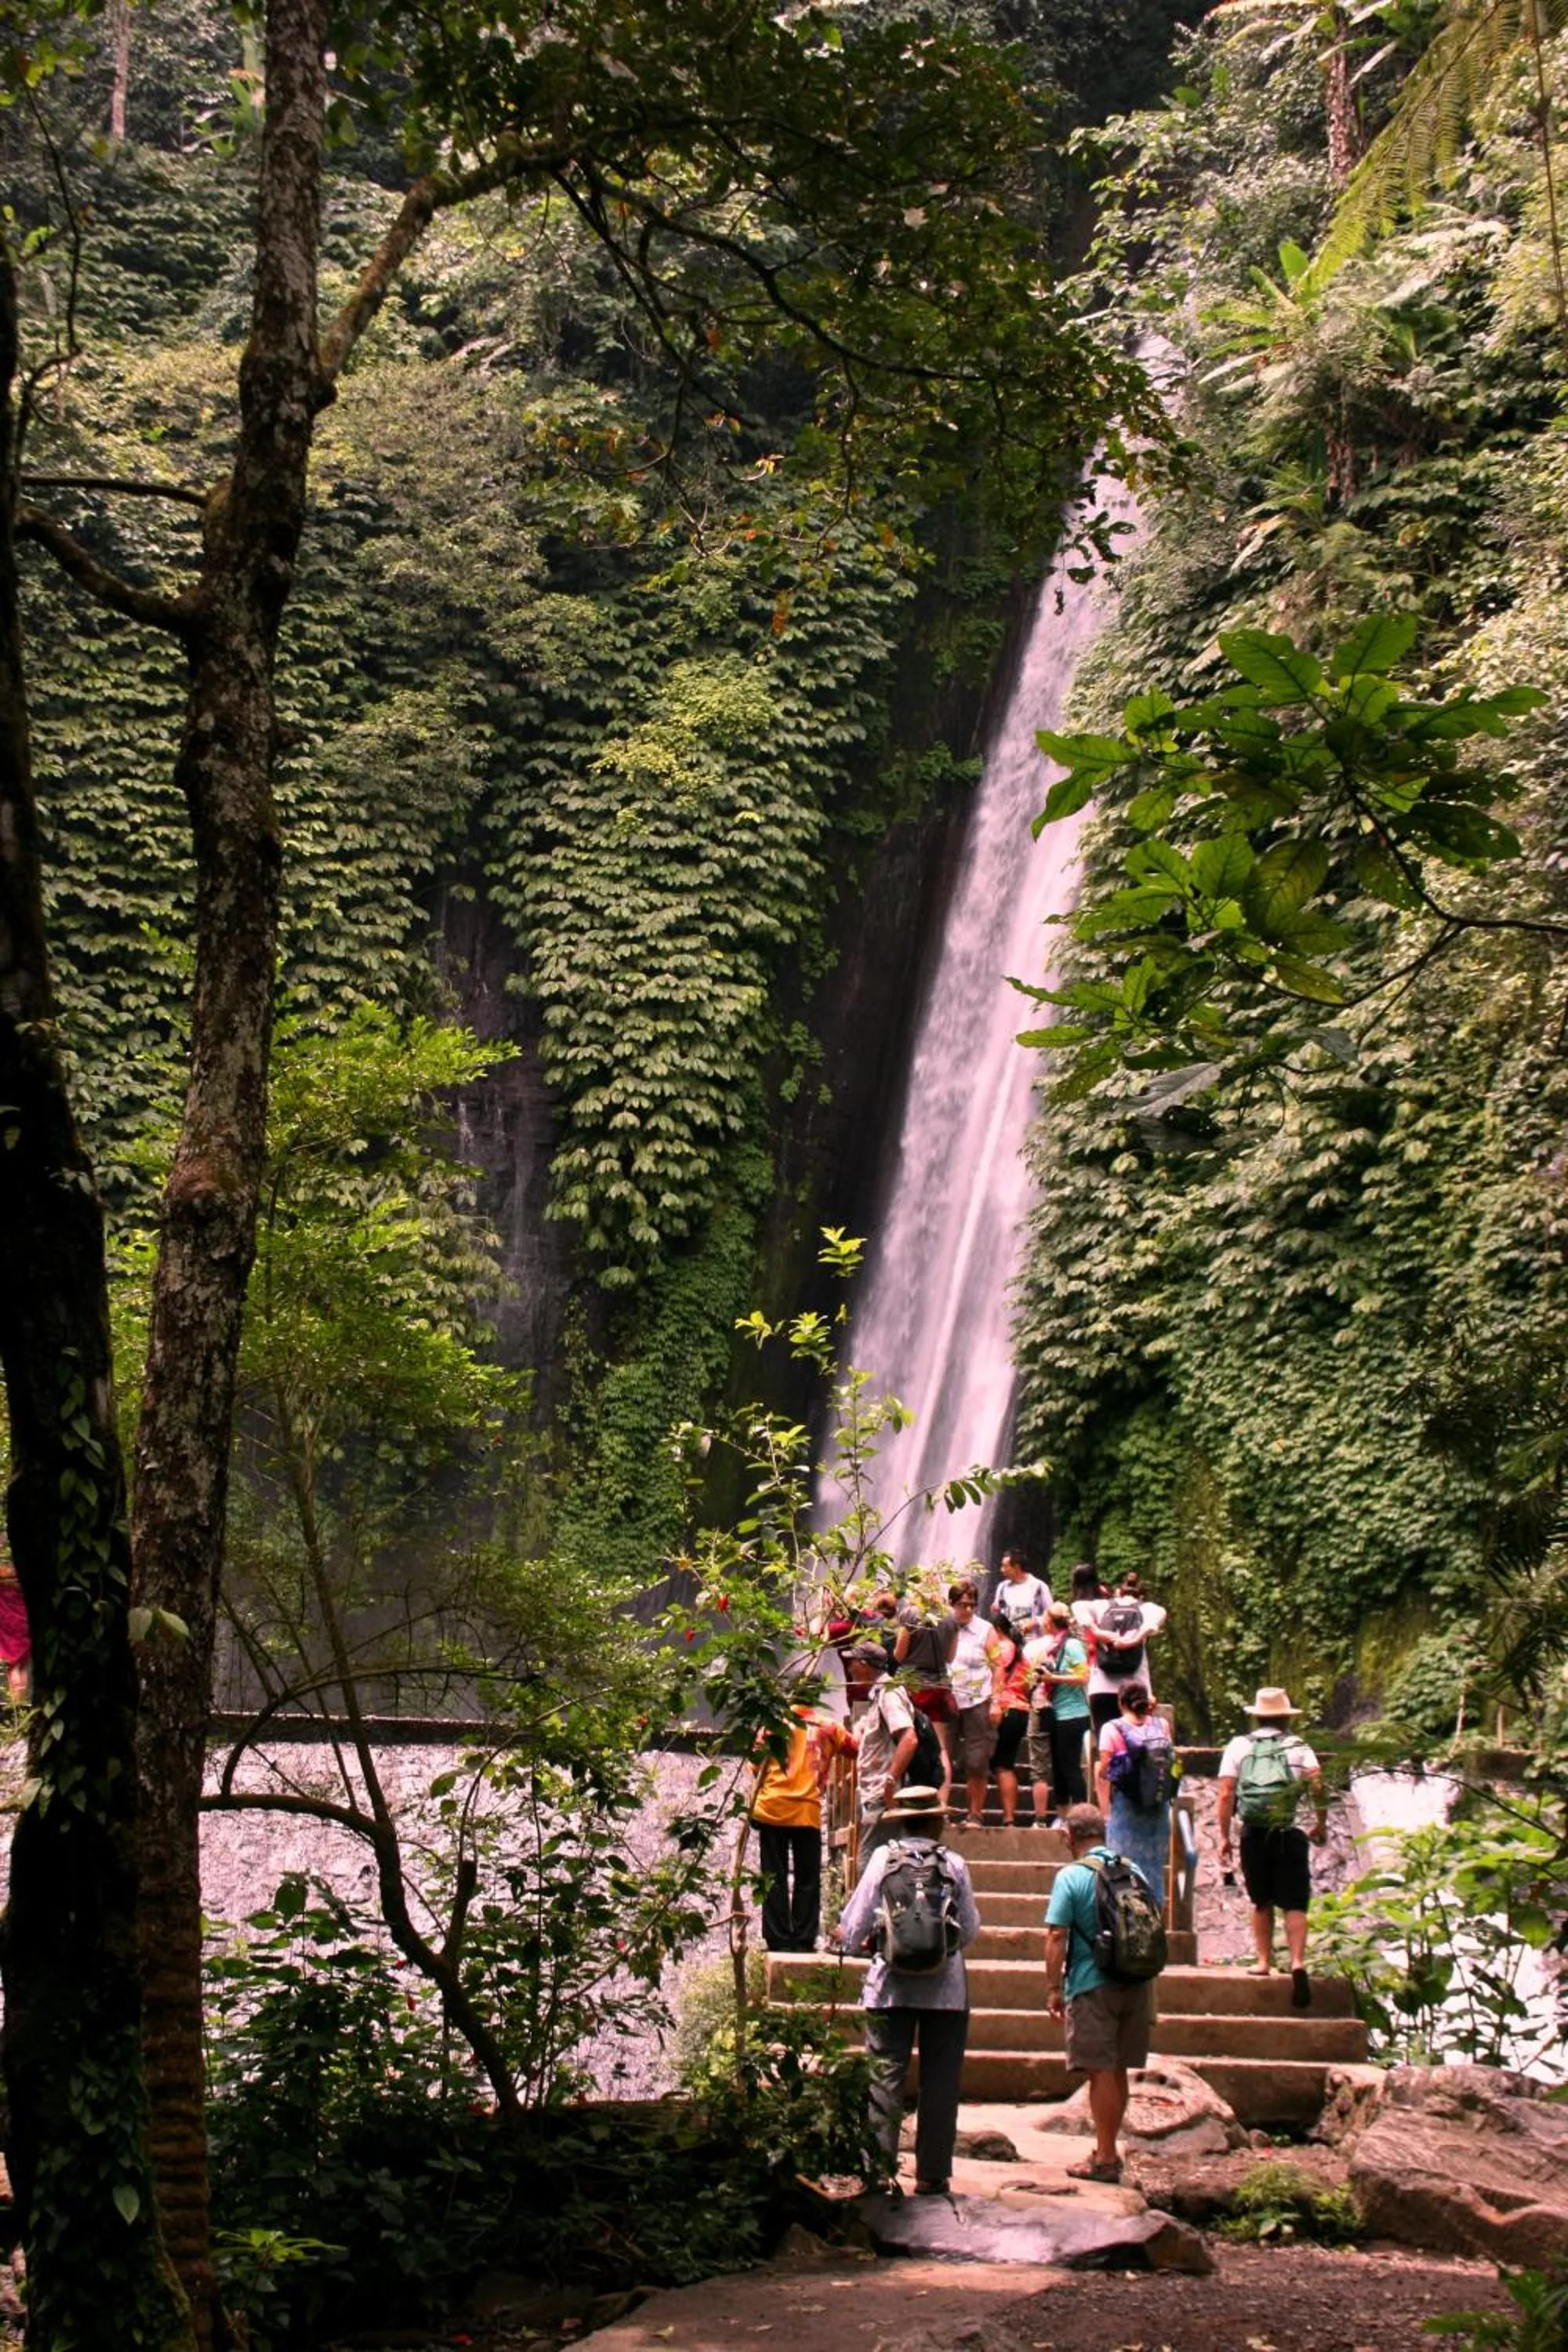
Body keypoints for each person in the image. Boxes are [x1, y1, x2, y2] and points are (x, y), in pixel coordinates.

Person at [836, 1784, 981, 2196]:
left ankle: (878, 2172)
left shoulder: (884, 1859)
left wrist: (857, 1944)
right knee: (941, 2080)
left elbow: (854, 1924)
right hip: (947, 1990)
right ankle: (933, 2174)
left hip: (889, 1989)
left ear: (901, 1820)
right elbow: (969, 1930)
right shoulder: (954, 1864)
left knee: (884, 2074)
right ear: (937, 1821)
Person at [1043, 1802, 1155, 2183]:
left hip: (1092, 1983)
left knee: (1100, 2071)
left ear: (1069, 1836)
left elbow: (1057, 1935)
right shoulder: (1133, 1869)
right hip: (1136, 1980)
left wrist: (1054, 1987)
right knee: (1118, 2067)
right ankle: (1108, 2148)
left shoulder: (1071, 1876)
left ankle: (1105, 2158)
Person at [1216, 1686, 1327, 2009]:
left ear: (1257, 1717)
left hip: (1253, 1832)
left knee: (1261, 1900)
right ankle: (1297, 1962)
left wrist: (1224, 1837)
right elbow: (1318, 1785)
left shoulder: (1239, 1746)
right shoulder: (1298, 1745)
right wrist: (1320, 1823)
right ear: (1284, 1718)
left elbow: (1225, 1793)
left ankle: (1263, 1962)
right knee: (1295, 1902)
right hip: (1288, 1831)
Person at [750, 1704, 858, 1951]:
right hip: (807, 1811)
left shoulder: (773, 1726)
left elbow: (755, 1767)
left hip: (772, 1809)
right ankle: (803, 1939)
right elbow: (855, 1750)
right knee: (807, 1878)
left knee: (773, 1876)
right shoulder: (829, 1727)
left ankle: (777, 1939)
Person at [1095, 1683, 1174, 1910]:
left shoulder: (1112, 1728)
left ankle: (1127, 1920)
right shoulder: (1162, 1725)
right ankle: (1155, 1920)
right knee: (1154, 1868)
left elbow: (1105, 1770)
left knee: (1122, 1868)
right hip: (1158, 1807)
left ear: (1121, 1703)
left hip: (1127, 1807)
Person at [1073, 1564, 1167, 1735]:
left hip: (1101, 1686)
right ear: (1142, 1595)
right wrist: (1135, 1640)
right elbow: (1161, 1613)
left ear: (1118, 1592)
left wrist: (1098, 1632)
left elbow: (1077, 1606)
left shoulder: (1103, 1605)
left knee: (1106, 1744)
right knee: (1137, 1744)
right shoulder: (1146, 1608)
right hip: (1136, 1687)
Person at [1025, 1602, 1091, 1824]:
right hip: (1058, 1713)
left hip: (1073, 1714)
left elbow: (1083, 1677)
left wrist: (1053, 1679)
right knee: (1060, 1768)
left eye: (1045, 1618)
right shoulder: (1053, 1645)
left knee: (1070, 1766)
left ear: (1052, 1622)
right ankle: (1063, 1818)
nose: (1042, 1622)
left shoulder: (1071, 1645)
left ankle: (1082, 1818)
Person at [946, 1579, 996, 1831]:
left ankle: (975, 1814)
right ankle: (940, 1812)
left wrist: (996, 1702)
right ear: (951, 1603)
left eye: (971, 1605)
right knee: (942, 1757)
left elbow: (998, 1667)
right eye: (961, 1604)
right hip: (948, 1699)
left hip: (978, 1699)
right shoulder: (944, 1627)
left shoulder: (986, 1630)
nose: (966, 1609)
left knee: (977, 1760)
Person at [893, 1592, 960, 1766]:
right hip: (939, 1686)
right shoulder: (951, 1618)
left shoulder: (910, 1614)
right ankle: (942, 1792)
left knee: (907, 1740)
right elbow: (950, 1657)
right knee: (941, 1747)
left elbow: (899, 1655)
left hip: (912, 1685)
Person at [987, 1609, 1031, 1828]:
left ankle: (1004, 1817)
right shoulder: (1022, 1655)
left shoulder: (1001, 1649)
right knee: (1006, 1764)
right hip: (1021, 1709)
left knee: (999, 1764)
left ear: (996, 1630)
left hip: (1002, 1709)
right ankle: (1009, 1818)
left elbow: (994, 1675)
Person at [996, 1550, 1051, 1639]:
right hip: (1008, 1642)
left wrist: (1035, 1621)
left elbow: (1051, 1614)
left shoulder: (1039, 1587)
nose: (1001, 1570)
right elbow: (997, 1613)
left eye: (1005, 1566)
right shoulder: (1002, 1587)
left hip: (1032, 1642)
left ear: (1016, 1567)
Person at [0, 1551, 30, 1704]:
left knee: (14, 1665)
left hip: (8, 1615)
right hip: (21, 1611)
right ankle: (19, 1700)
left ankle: (16, 1702)